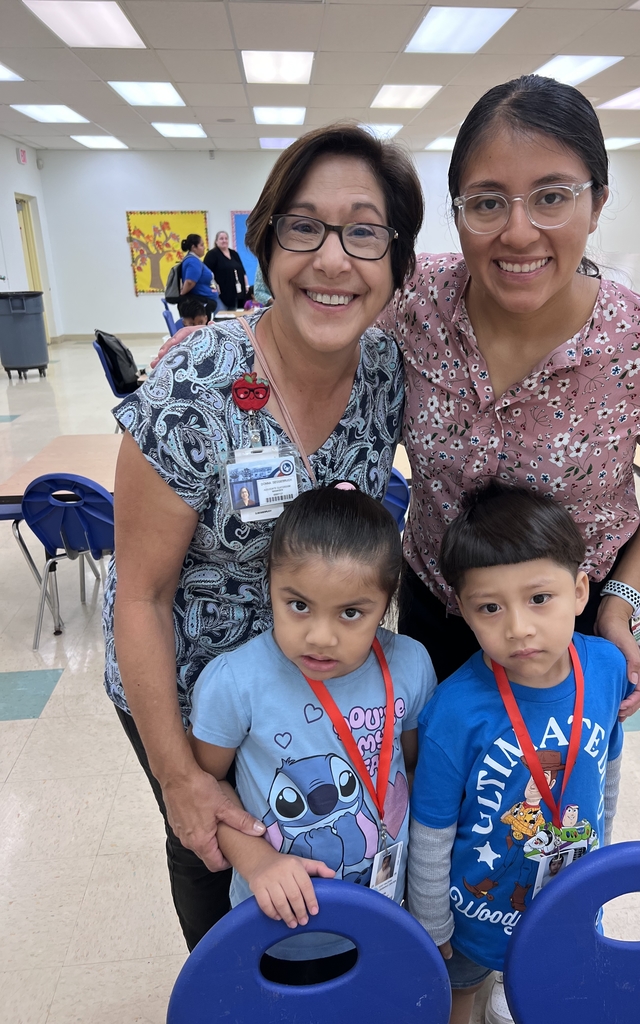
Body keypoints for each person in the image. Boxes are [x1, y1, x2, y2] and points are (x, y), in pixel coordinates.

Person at [103, 124, 423, 950]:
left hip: (324, 672)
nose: (331, 259)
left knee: (320, 853)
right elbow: (140, 593)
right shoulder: (196, 378)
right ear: (265, 242)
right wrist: (179, 778)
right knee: (211, 850)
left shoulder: (386, 371)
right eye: (304, 226)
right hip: (192, 692)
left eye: (364, 231)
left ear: (397, 261)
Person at [377, 75, 640, 716]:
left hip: (575, 629)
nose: (518, 232)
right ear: (457, 213)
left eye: (551, 197)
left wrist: (622, 601)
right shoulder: (414, 300)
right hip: (437, 618)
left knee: (556, 807)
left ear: (597, 205)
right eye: (486, 203)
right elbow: (319, 322)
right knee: (435, 800)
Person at [188, 485, 436, 982]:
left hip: (384, 917)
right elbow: (205, 793)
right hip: (277, 931)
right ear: (270, 587)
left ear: (386, 603)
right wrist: (258, 863)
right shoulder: (236, 682)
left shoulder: (410, 663)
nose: (320, 636)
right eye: (298, 605)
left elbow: (412, 772)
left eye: (351, 612)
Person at [407, 482, 630, 1024]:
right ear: (461, 609)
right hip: (473, 910)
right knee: (456, 996)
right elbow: (431, 832)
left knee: (544, 987)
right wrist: (433, 928)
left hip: (566, 892)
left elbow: (609, 767)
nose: (519, 628)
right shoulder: (454, 710)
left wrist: (599, 856)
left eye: (539, 598)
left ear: (580, 592)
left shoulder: (605, 668)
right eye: (490, 607)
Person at [204, 230, 248, 310]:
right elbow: (206, 273)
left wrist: (246, 285)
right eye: (221, 239)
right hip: (222, 295)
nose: (224, 241)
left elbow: (243, 271)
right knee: (223, 318)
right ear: (216, 241)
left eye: (226, 238)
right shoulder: (212, 254)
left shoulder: (234, 254)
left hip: (237, 293)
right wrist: (214, 285)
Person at [179, 233, 219, 319]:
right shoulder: (193, 261)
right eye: (201, 245)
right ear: (194, 247)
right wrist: (182, 295)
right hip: (200, 305)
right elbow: (190, 282)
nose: (204, 247)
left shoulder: (195, 260)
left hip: (203, 304)